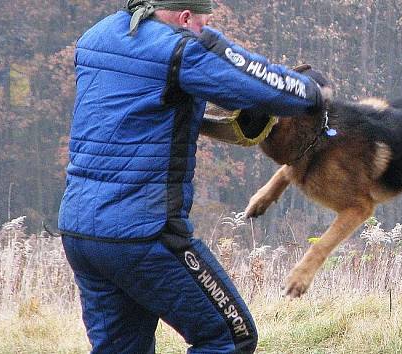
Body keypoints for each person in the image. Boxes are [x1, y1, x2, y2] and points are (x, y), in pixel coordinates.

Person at [57, 0, 325, 353]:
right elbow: (270, 90)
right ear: (184, 18)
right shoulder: (179, 50)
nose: (203, 31)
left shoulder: (96, 37)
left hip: (81, 231)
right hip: (143, 233)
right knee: (229, 337)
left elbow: (147, 101)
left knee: (120, 348)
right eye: (201, 24)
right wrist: (311, 90)